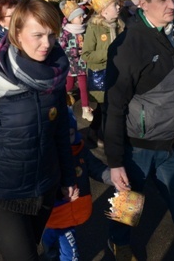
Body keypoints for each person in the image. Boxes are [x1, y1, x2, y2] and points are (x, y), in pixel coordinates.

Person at [0, 0, 77, 261]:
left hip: (44, 188)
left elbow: (60, 134)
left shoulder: (55, 72)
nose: (47, 44)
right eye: (38, 35)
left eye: (52, 35)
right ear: (17, 33)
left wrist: (68, 178)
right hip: (3, 195)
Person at [104, 0, 174, 260]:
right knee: (128, 205)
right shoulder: (127, 47)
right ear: (142, 4)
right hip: (137, 147)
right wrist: (115, 162)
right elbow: (114, 107)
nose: (171, 5)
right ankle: (119, 242)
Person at [41, 110, 112, 261]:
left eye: (71, 134)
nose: (66, 142)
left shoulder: (81, 150)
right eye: (61, 137)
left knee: (52, 233)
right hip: (60, 213)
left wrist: (112, 177)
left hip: (76, 209)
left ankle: (49, 248)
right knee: (71, 254)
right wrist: (60, 193)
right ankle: (51, 250)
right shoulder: (48, 158)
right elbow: (43, 185)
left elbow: (96, 168)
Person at [82, 0, 125, 144]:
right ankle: (103, 137)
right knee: (104, 109)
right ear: (104, 11)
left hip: (118, 74)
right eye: (114, 5)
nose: (118, 7)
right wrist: (108, 51)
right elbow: (86, 54)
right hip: (101, 75)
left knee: (109, 109)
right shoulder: (94, 27)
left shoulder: (121, 25)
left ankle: (102, 134)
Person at [59, 0, 90, 121]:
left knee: (83, 86)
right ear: (72, 19)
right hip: (71, 64)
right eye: (79, 16)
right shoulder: (66, 32)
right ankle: (60, 100)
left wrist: (86, 50)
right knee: (69, 85)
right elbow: (61, 48)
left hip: (82, 64)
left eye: (82, 16)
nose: (82, 18)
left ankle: (85, 109)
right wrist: (75, 52)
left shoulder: (84, 30)